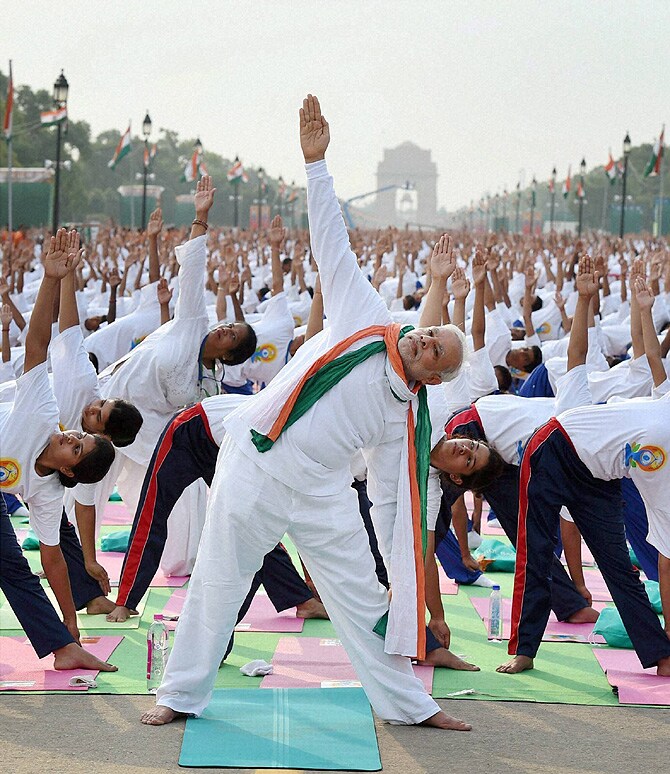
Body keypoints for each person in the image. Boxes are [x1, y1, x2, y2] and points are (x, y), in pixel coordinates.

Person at [141, 95, 470, 731]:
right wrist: (316, 167)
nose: (426, 340)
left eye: (437, 350)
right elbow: (332, 244)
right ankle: (178, 695)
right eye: (432, 334)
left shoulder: (409, 416)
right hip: (259, 461)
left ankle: (409, 707)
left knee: (362, 599)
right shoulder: (366, 320)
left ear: (433, 377)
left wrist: (409, 568)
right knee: (217, 581)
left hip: (322, 492)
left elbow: (393, 495)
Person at [0, 228, 116, 671]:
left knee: (12, 565)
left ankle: (62, 648)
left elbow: (52, 559)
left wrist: (71, 618)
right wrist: (51, 279)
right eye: (79, 437)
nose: (71, 438)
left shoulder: (48, 495)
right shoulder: (42, 410)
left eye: (76, 450)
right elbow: (37, 346)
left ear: (69, 473)